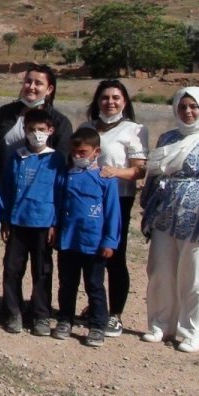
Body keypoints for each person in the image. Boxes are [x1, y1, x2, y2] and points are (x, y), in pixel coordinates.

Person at [140, 87, 199, 353]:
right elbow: (154, 174)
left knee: (194, 277)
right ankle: (160, 324)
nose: (188, 112)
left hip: (197, 220)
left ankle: (191, 331)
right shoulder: (168, 137)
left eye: (193, 107)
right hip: (164, 216)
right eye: (182, 107)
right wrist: (147, 207)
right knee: (160, 273)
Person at [83, 80, 148, 337]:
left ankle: (115, 314)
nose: (110, 102)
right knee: (89, 253)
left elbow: (139, 169)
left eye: (115, 98)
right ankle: (97, 305)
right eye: (105, 97)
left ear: (124, 102)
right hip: (87, 199)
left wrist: (114, 172)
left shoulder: (134, 130)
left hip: (118, 198)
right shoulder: (87, 127)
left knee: (114, 255)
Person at [52, 127, 120, 347]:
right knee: (67, 283)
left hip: (93, 243)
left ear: (96, 151)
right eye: (74, 152)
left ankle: (98, 325)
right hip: (68, 240)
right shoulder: (65, 176)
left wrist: (110, 241)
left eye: (83, 152)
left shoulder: (105, 179)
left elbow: (112, 213)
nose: (77, 156)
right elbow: (58, 206)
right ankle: (64, 320)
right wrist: (55, 228)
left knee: (95, 285)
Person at [0, 109, 65, 336]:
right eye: (32, 130)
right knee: (12, 269)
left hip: (43, 223)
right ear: (25, 131)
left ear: (50, 131)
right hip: (18, 221)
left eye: (41, 130)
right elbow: (6, 189)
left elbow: (59, 192)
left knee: (42, 271)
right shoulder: (17, 157)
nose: (37, 134)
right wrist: (5, 219)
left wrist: (55, 223)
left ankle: (41, 315)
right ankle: (13, 311)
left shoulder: (56, 159)